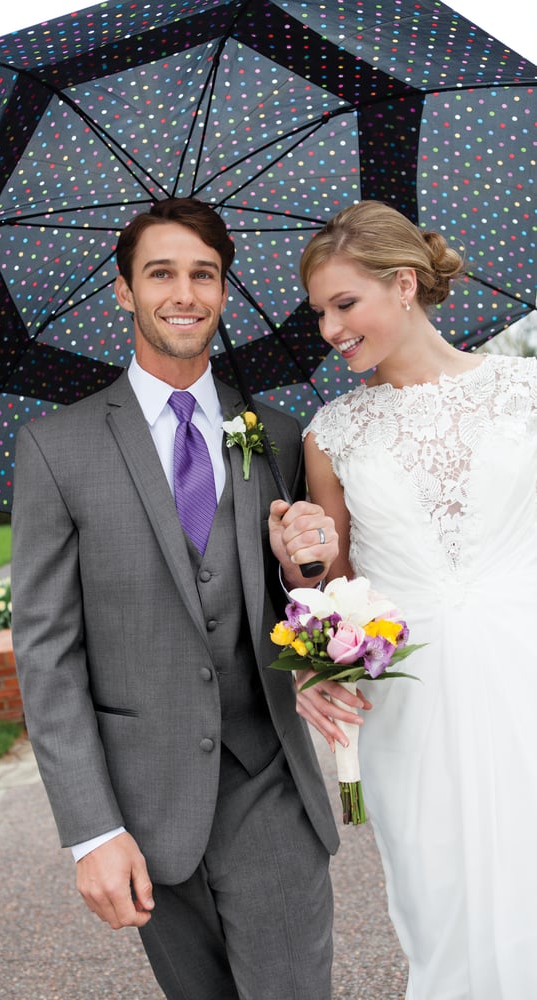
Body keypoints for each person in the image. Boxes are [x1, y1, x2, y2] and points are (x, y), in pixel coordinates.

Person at [11, 197, 350, 1000]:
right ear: (124, 292)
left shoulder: (273, 432)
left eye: (204, 274)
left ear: (224, 290)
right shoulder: (56, 449)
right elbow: (47, 653)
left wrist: (303, 570)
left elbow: (310, 609)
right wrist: (91, 829)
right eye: (160, 274)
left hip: (269, 782)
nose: (185, 294)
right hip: (144, 809)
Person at [298, 199, 537, 999]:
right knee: (441, 904)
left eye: (344, 303)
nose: (331, 329)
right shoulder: (331, 434)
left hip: (527, 669)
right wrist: (302, 563)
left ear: (404, 284)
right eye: (320, 313)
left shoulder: (526, 390)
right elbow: (333, 587)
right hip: (412, 703)